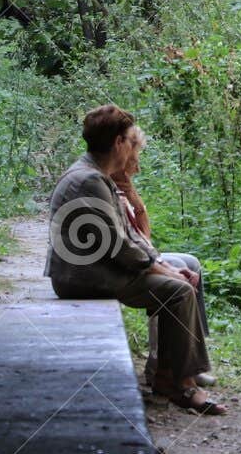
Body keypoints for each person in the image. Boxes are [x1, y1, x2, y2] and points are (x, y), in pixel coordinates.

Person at [46, 105, 227, 415]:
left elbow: (127, 238)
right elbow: (118, 246)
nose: (134, 149)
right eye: (131, 141)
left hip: (95, 269)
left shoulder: (93, 175)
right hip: (84, 277)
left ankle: (177, 374)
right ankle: (178, 384)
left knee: (177, 280)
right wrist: (162, 269)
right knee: (178, 290)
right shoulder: (90, 180)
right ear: (118, 142)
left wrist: (163, 265)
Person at [109, 125, 215, 391]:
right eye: (134, 161)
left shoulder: (123, 189)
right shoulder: (112, 190)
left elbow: (144, 239)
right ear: (121, 158)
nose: (138, 168)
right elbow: (142, 240)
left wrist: (133, 193)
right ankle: (160, 363)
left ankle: (190, 354)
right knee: (178, 269)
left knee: (190, 261)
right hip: (122, 264)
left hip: (134, 255)